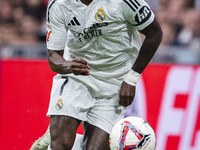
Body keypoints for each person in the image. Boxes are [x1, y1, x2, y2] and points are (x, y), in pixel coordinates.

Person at [38, 0, 162, 149]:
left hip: (113, 80)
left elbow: (155, 34)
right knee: (60, 144)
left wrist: (131, 79)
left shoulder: (124, 2)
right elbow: (53, 56)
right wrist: (68, 65)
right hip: (77, 76)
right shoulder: (59, 4)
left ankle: (75, 141)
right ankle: (54, 141)